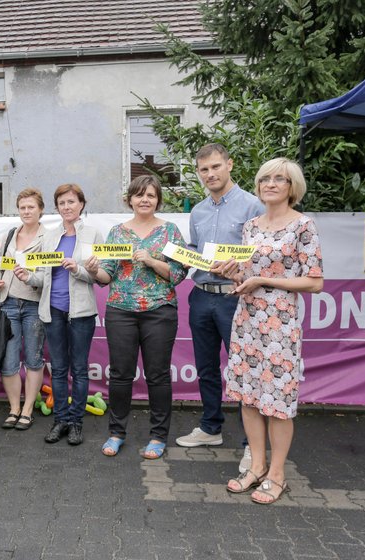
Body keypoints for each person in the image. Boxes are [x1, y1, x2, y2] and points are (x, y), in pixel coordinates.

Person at [219, 157, 323, 504]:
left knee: (277, 402)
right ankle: (257, 466)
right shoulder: (251, 226)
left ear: (292, 187)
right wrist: (233, 274)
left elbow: (314, 281)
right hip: (247, 321)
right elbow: (247, 273)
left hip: (280, 324)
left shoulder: (303, 226)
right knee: (248, 397)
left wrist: (264, 280)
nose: (271, 184)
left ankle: (278, 474)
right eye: (265, 179)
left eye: (280, 179)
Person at [175, 143, 263, 475]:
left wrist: (240, 262)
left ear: (229, 164)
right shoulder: (197, 211)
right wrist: (183, 255)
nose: (210, 174)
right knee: (207, 367)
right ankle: (211, 428)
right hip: (201, 295)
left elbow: (260, 251)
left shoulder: (252, 205)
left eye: (215, 167)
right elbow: (196, 249)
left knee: (243, 371)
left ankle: (251, 446)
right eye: (204, 170)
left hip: (235, 297)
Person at [89, 176, 187, 459]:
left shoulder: (170, 231)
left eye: (151, 195)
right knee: (120, 374)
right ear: (129, 199)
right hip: (121, 311)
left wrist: (152, 260)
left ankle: (158, 437)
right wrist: (94, 269)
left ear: (158, 200)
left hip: (160, 311)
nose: (145, 200)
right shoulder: (117, 232)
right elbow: (107, 276)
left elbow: (178, 274)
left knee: (157, 375)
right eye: (139, 195)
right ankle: (116, 432)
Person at [15, 184, 102, 445]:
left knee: (80, 370)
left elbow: (98, 277)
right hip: (53, 311)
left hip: (81, 312)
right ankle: (60, 420)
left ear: (81, 205)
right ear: (57, 208)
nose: (67, 207)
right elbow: (43, 276)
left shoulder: (93, 234)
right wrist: (29, 277)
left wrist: (77, 268)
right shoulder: (50, 237)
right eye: (62, 203)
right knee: (60, 369)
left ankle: (76, 423)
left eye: (71, 202)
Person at [0, 189, 47, 430]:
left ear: (41, 209)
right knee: (9, 362)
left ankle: (28, 409)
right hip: (7, 304)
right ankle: (13, 408)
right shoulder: (9, 235)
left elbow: (47, 277)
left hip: (33, 305)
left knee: (33, 359)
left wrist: (30, 277)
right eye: (22, 207)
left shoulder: (49, 237)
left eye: (31, 207)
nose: (26, 211)